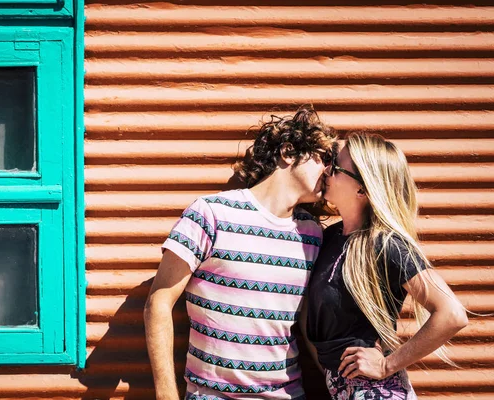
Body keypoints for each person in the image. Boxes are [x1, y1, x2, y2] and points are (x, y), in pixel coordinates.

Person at [144, 105, 338, 400]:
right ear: (288, 152)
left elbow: (307, 323)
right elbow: (158, 302)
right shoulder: (211, 214)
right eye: (324, 158)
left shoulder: (312, 234)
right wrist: (166, 395)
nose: (330, 170)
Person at [303, 132, 468, 399]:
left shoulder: (386, 244)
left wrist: (386, 365)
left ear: (362, 188)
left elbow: (452, 315)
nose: (326, 170)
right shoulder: (330, 238)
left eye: (335, 166)